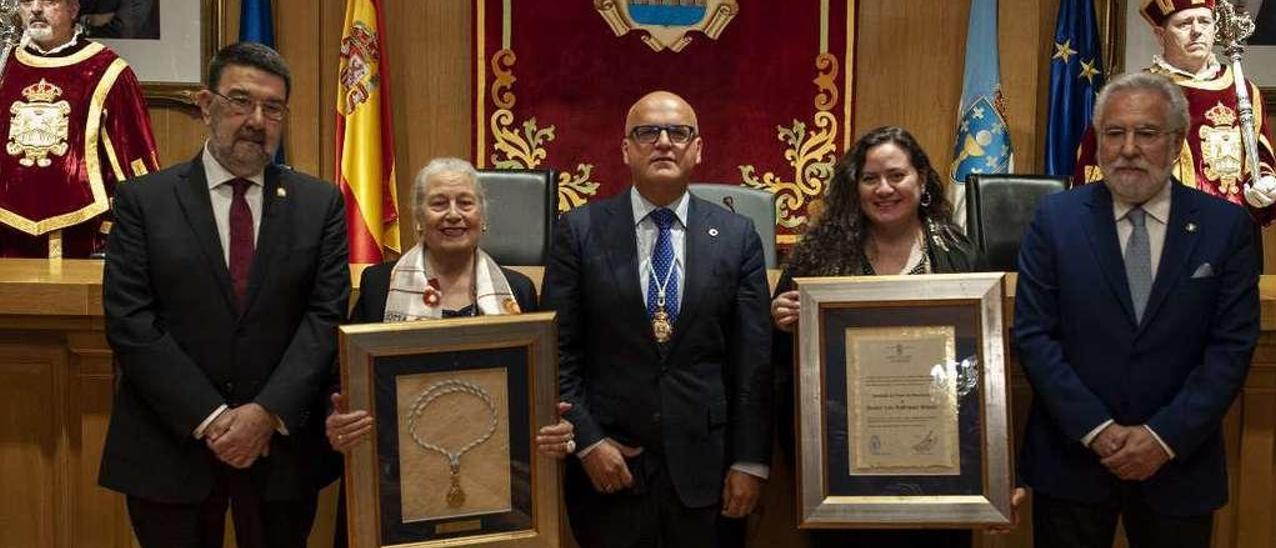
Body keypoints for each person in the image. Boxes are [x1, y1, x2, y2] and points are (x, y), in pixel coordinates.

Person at [98, 42, 349, 548]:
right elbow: (130, 320)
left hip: (278, 452)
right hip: (170, 448)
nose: (256, 119)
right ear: (205, 104)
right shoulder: (144, 201)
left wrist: (264, 414)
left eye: (272, 107)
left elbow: (324, 318)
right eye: (240, 101)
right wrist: (211, 419)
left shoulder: (318, 204)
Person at [1016, 72, 1259, 548]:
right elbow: (1034, 335)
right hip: (1073, 465)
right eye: (1114, 133)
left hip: (1178, 465)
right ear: (1100, 142)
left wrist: (1163, 437)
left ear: (1176, 144)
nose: (1128, 148)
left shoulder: (1225, 227)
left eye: (1146, 133)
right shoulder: (1054, 220)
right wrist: (1097, 430)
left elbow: (1231, 347)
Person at [772, 126, 1023, 548]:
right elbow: (782, 362)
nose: (883, 189)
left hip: (942, 465)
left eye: (896, 175)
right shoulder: (818, 255)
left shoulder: (958, 255)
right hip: (843, 467)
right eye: (869, 178)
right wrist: (783, 323)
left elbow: (980, 369)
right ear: (854, 187)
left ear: (921, 180)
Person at [541, 90, 772, 548]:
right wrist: (588, 441)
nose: (664, 142)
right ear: (625, 149)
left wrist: (750, 461)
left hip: (710, 472)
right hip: (609, 467)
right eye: (648, 132)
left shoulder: (736, 236)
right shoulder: (579, 230)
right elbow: (557, 349)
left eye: (678, 132)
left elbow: (754, 361)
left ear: (698, 149)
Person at [323, 157, 574, 547]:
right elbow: (343, 376)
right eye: (439, 203)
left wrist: (552, 424)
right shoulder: (378, 286)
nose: (453, 215)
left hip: (497, 478)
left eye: (466, 203)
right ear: (418, 217)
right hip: (394, 480)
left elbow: (538, 387)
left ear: (483, 216)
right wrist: (337, 420)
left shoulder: (519, 291)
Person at [1073, 0, 1276, 227]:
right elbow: (1094, 170)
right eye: (1184, 24)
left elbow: (1260, 161)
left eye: (1204, 21)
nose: (1197, 31)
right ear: (1160, 35)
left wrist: (1264, 187)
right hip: (1160, 235)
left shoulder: (1243, 90)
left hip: (1230, 233)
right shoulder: (1133, 95)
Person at [0, 0, 158, 258]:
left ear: (73, 9)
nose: (36, 9)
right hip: (5, 233)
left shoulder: (108, 71)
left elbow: (136, 165)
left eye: (49, 1)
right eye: (28, 1)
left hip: (82, 235)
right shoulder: (5, 65)